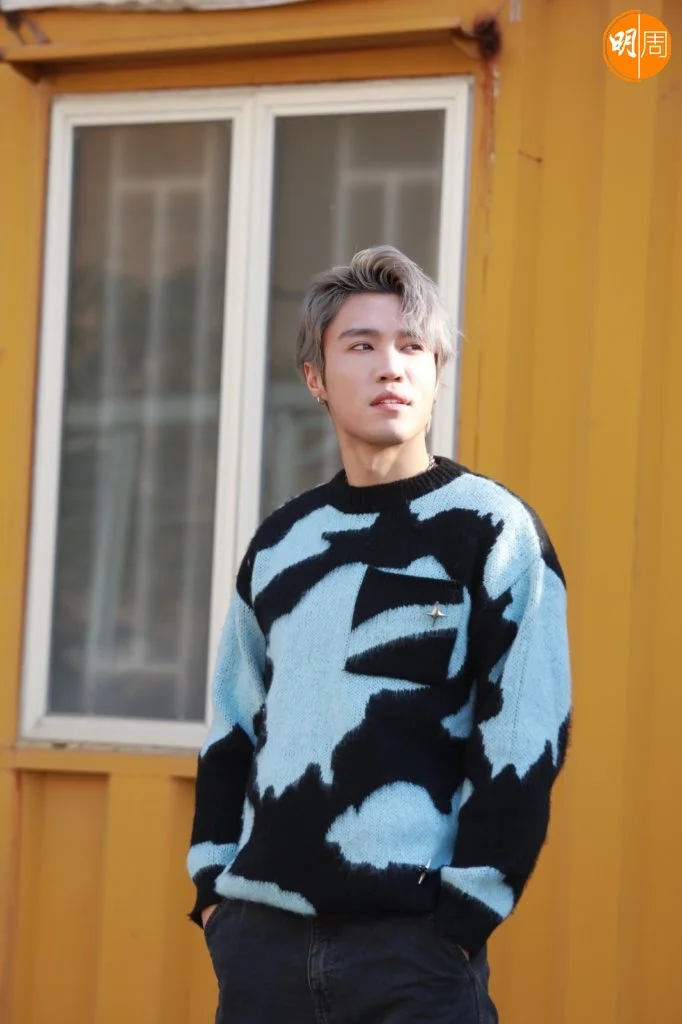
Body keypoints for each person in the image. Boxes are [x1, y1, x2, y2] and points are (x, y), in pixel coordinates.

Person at [187, 246, 572, 1023]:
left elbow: (525, 737)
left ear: (436, 372)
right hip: (261, 950)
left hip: (413, 953)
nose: (390, 366)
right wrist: (214, 893)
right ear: (316, 377)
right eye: (361, 345)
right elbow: (233, 725)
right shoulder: (283, 541)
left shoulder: (493, 533)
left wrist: (464, 918)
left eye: (413, 347)